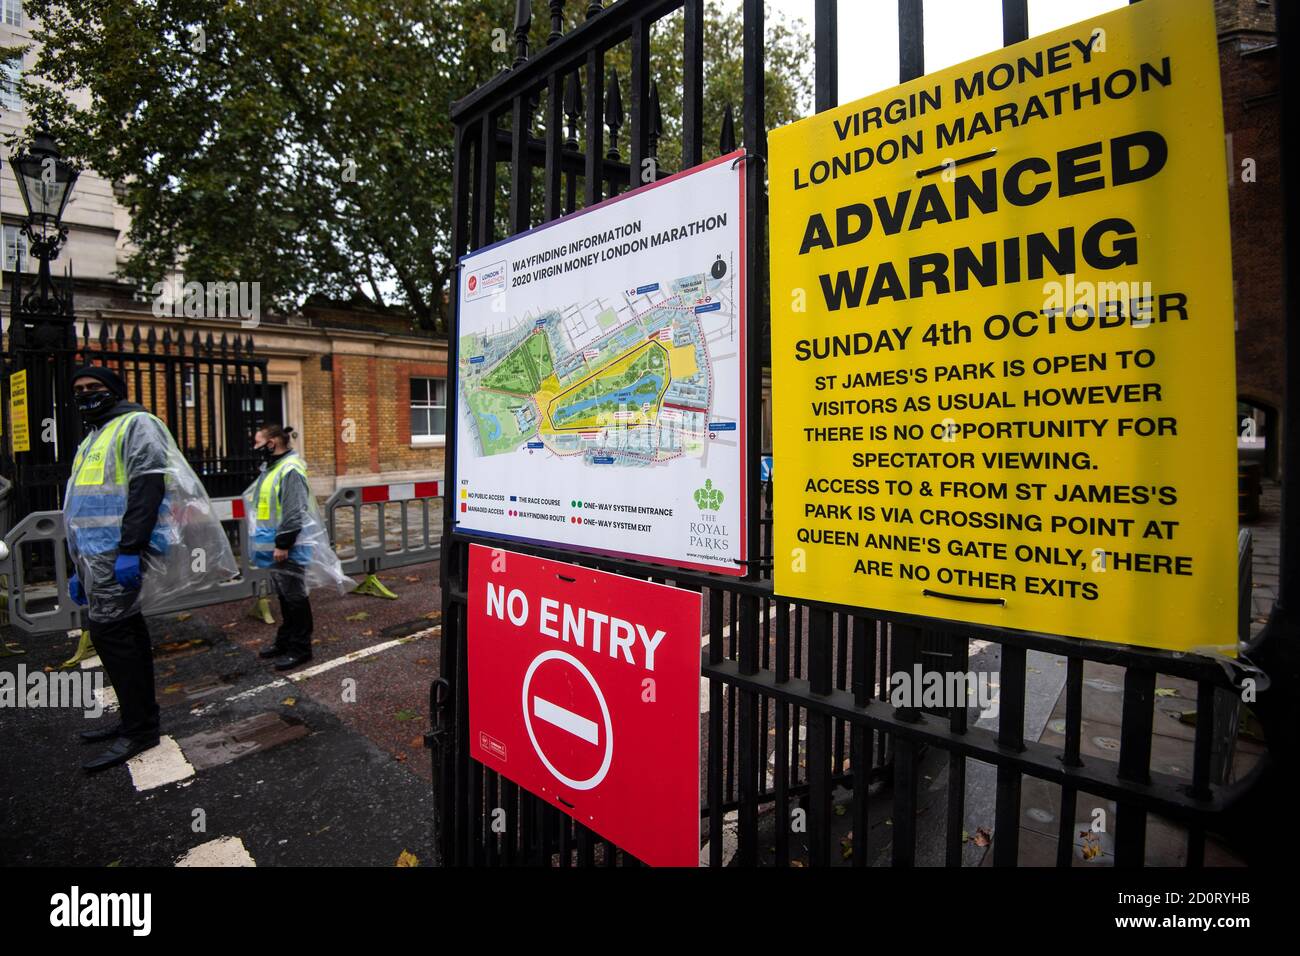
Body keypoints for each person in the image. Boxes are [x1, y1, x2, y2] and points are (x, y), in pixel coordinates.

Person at [64, 365, 237, 773]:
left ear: (114, 391)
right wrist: (78, 565)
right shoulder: (95, 435)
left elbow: (148, 487)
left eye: (95, 387)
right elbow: (86, 503)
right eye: (80, 389)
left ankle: (140, 728)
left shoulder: (135, 424)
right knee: (123, 636)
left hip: (118, 553)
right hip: (96, 556)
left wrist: (130, 549)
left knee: (114, 638)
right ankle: (137, 719)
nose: (87, 394)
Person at [246, 424, 346, 669]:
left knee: (295, 598)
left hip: (289, 545)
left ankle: (300, 649)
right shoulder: (273, 468)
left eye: (258, 443)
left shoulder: (289, 469)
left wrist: (283, 544)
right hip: (276, 543)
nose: (255, 448)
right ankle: (285, 641)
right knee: (285, 596)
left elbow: (294, 511)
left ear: (272, 443)